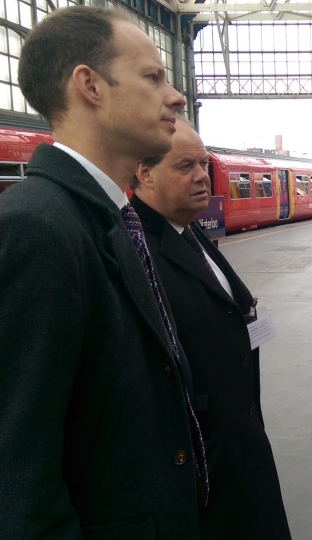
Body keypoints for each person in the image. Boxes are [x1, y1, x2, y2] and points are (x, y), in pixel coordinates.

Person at [0, 6, 203, 538]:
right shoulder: (36, 228)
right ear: (89, 85)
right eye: (154, 77)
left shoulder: (109, 218)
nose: (176, 96)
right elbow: (19, 473)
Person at [130, 120, 293, 539]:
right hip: (205, 471)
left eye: (204, 164)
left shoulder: (189, 232)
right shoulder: (137, 249)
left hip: (240, 447)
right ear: (144, 172)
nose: (203, 176)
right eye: (186, 166)